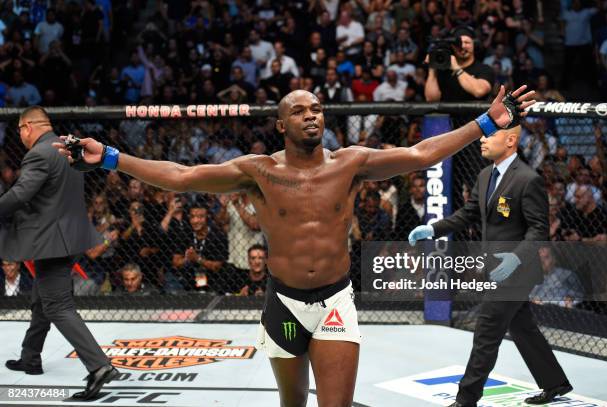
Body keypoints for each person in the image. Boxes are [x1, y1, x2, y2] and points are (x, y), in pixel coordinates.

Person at [54, 85, 534, 407]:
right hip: (281, 302)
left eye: (317, 109)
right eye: (300, 111)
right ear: (281, 124)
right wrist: (111, 158)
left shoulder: (351, 162)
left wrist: (485, 123)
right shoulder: (258, 170)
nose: (312, 115)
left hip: (333, 303)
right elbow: (181, 177)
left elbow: (420, 153)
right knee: (291, 405)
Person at [409, 125, 572, 406]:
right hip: (496, 269)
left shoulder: (528, 179)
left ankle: (466, 399)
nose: (482, 139)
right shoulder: (486, 175)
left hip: (517, 273)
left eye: (490, 135)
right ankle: (555, 383)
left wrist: (516, 257)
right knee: (523, 328)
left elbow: (538, 229)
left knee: (486, 331)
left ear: (510, 141)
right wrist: (433, 229)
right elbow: (468, 214)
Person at [0, 106, 118, 399]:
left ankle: (99, 366)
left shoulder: (40, 153)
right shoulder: (66, 146)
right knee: (42, 298)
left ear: (27, 127)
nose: (20, 136)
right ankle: (31, 356)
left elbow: (21, 193)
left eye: (19, 130)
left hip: (52, 240)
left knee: (57, 305)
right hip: (71, 234)